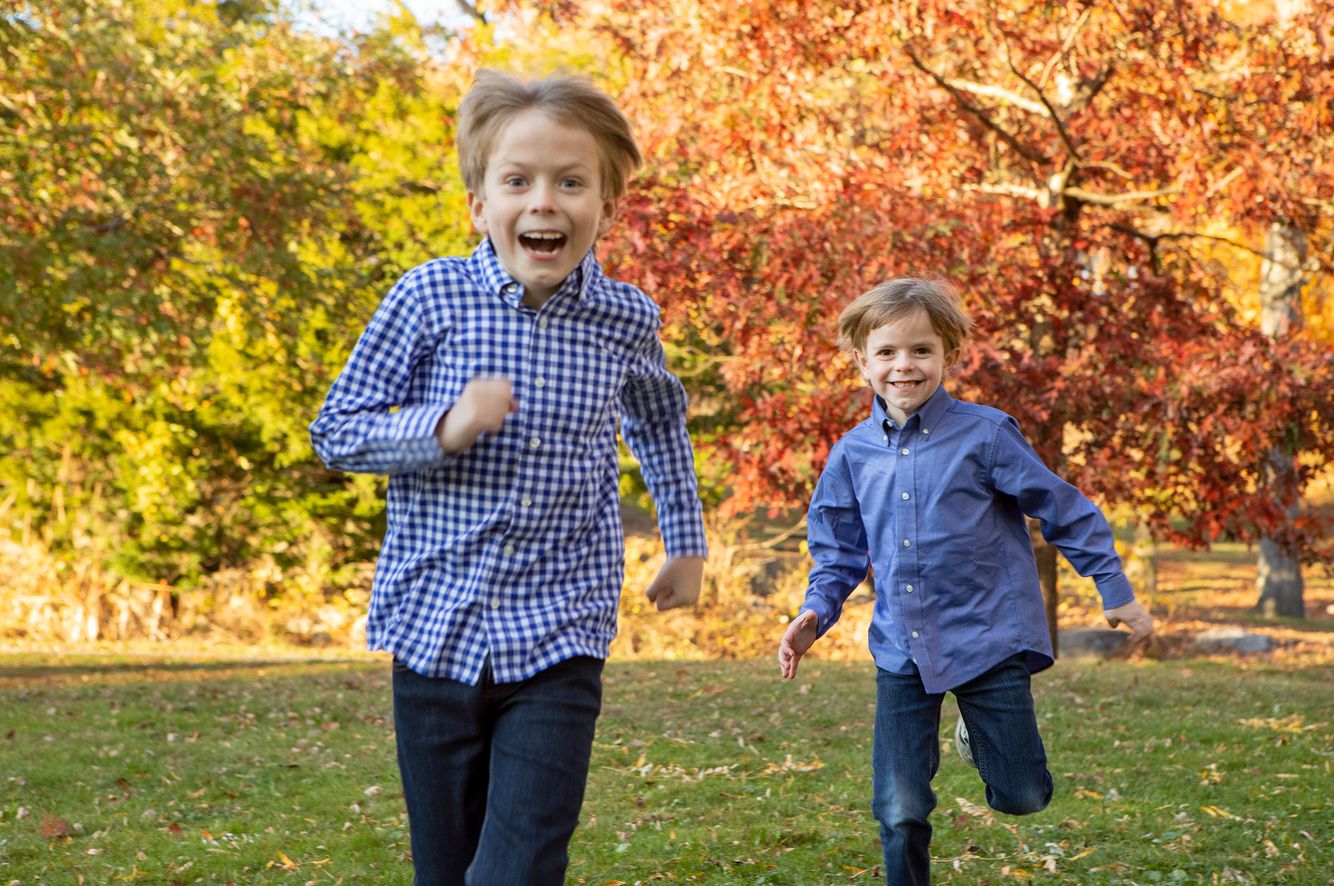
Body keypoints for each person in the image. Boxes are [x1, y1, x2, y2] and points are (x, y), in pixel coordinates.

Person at [310, 70, 708, 885]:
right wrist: (444, 427)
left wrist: (686, 541)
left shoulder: (626, 318)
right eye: (517, 181)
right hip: (434, 626)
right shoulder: (428, 298)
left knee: (519, 865)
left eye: (571, 182)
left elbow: (660, 422)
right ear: (478, 205)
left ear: (606, 206)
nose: (544, 203)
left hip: (561, 628)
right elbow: (337, 431)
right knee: (446, 869)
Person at [776, 278, 1153, 885]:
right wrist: (814, 614)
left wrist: (1115, 591)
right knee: (898, 808)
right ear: (861, 362)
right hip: (902, 650)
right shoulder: (851, 455)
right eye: (888, 353)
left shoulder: (986, 434)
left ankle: (978, 739)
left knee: (1024, 795)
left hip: (989, 640)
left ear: (949, 355)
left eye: (921, 350)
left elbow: (1063, 508)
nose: (905, 365)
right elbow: (838, 553)